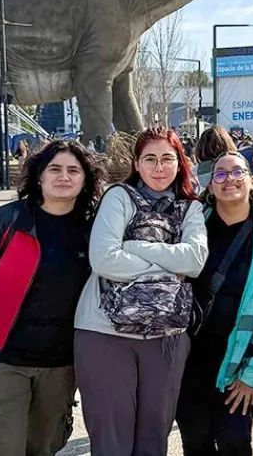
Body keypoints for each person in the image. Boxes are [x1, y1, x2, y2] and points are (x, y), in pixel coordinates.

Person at [0, 140, 104, 456]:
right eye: (55, 169)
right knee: (3, 447)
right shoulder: (5, 220)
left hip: (61, 365)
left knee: (46, 448)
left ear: (85, 179)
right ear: (39, 176)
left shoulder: (94, 229)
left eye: (74, 170)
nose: (64, 176)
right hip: (5, 361)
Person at [74, 125, 208, 455]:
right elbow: (104, 259)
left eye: (167, 158)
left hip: (166, 335)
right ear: (137, 163)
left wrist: (135, 246)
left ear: (180, 162)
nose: (158, 167)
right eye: (150, 159)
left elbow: (194, 261)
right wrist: (167, 269)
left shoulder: (190, 207)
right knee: (111, 440)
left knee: (153, 437)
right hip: (104, 330)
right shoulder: (119, 197)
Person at [176, 152, 253, 456]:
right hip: (189, 357)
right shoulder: (191, 227)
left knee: (234, 442)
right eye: (220, 174)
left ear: (251, 179)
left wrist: (251, 374)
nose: (229, 179)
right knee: (195, 440)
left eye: (236, 172)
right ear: (210, 184)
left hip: (239, 361)